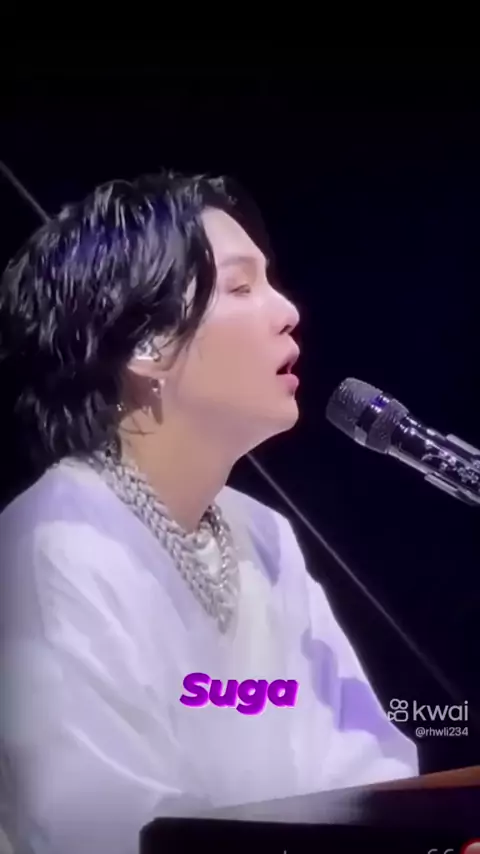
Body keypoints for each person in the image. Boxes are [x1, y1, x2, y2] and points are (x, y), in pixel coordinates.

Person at [0, 172, 418, 854]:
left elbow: (366, 776)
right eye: (242, 287)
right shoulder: (54, 544)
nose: (288, 310)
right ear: (144, 344)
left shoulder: (266, 538)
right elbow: (101, 827)